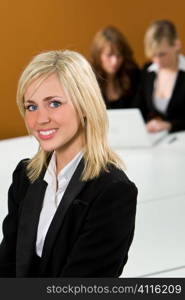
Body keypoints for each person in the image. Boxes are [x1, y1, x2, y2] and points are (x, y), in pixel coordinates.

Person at [0, 50, 137, 277]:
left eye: (54, 103)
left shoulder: (112, 192)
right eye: (31, 106)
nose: (40, 119)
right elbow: (6, 265)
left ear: (84, 105)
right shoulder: (26, 177)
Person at [134, 19, 185, 133]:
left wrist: (169, 125)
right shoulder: (148, 71)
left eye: (162, 54)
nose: (157, 61)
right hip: (156, 141)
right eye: (153, 55)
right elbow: (138, 108)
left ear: (176, 45)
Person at [90, 26, 140, 109]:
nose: (115, 61)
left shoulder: (133, 76)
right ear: (98, 55)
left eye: (119, 55)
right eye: (109, 55)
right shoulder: (88, 79)